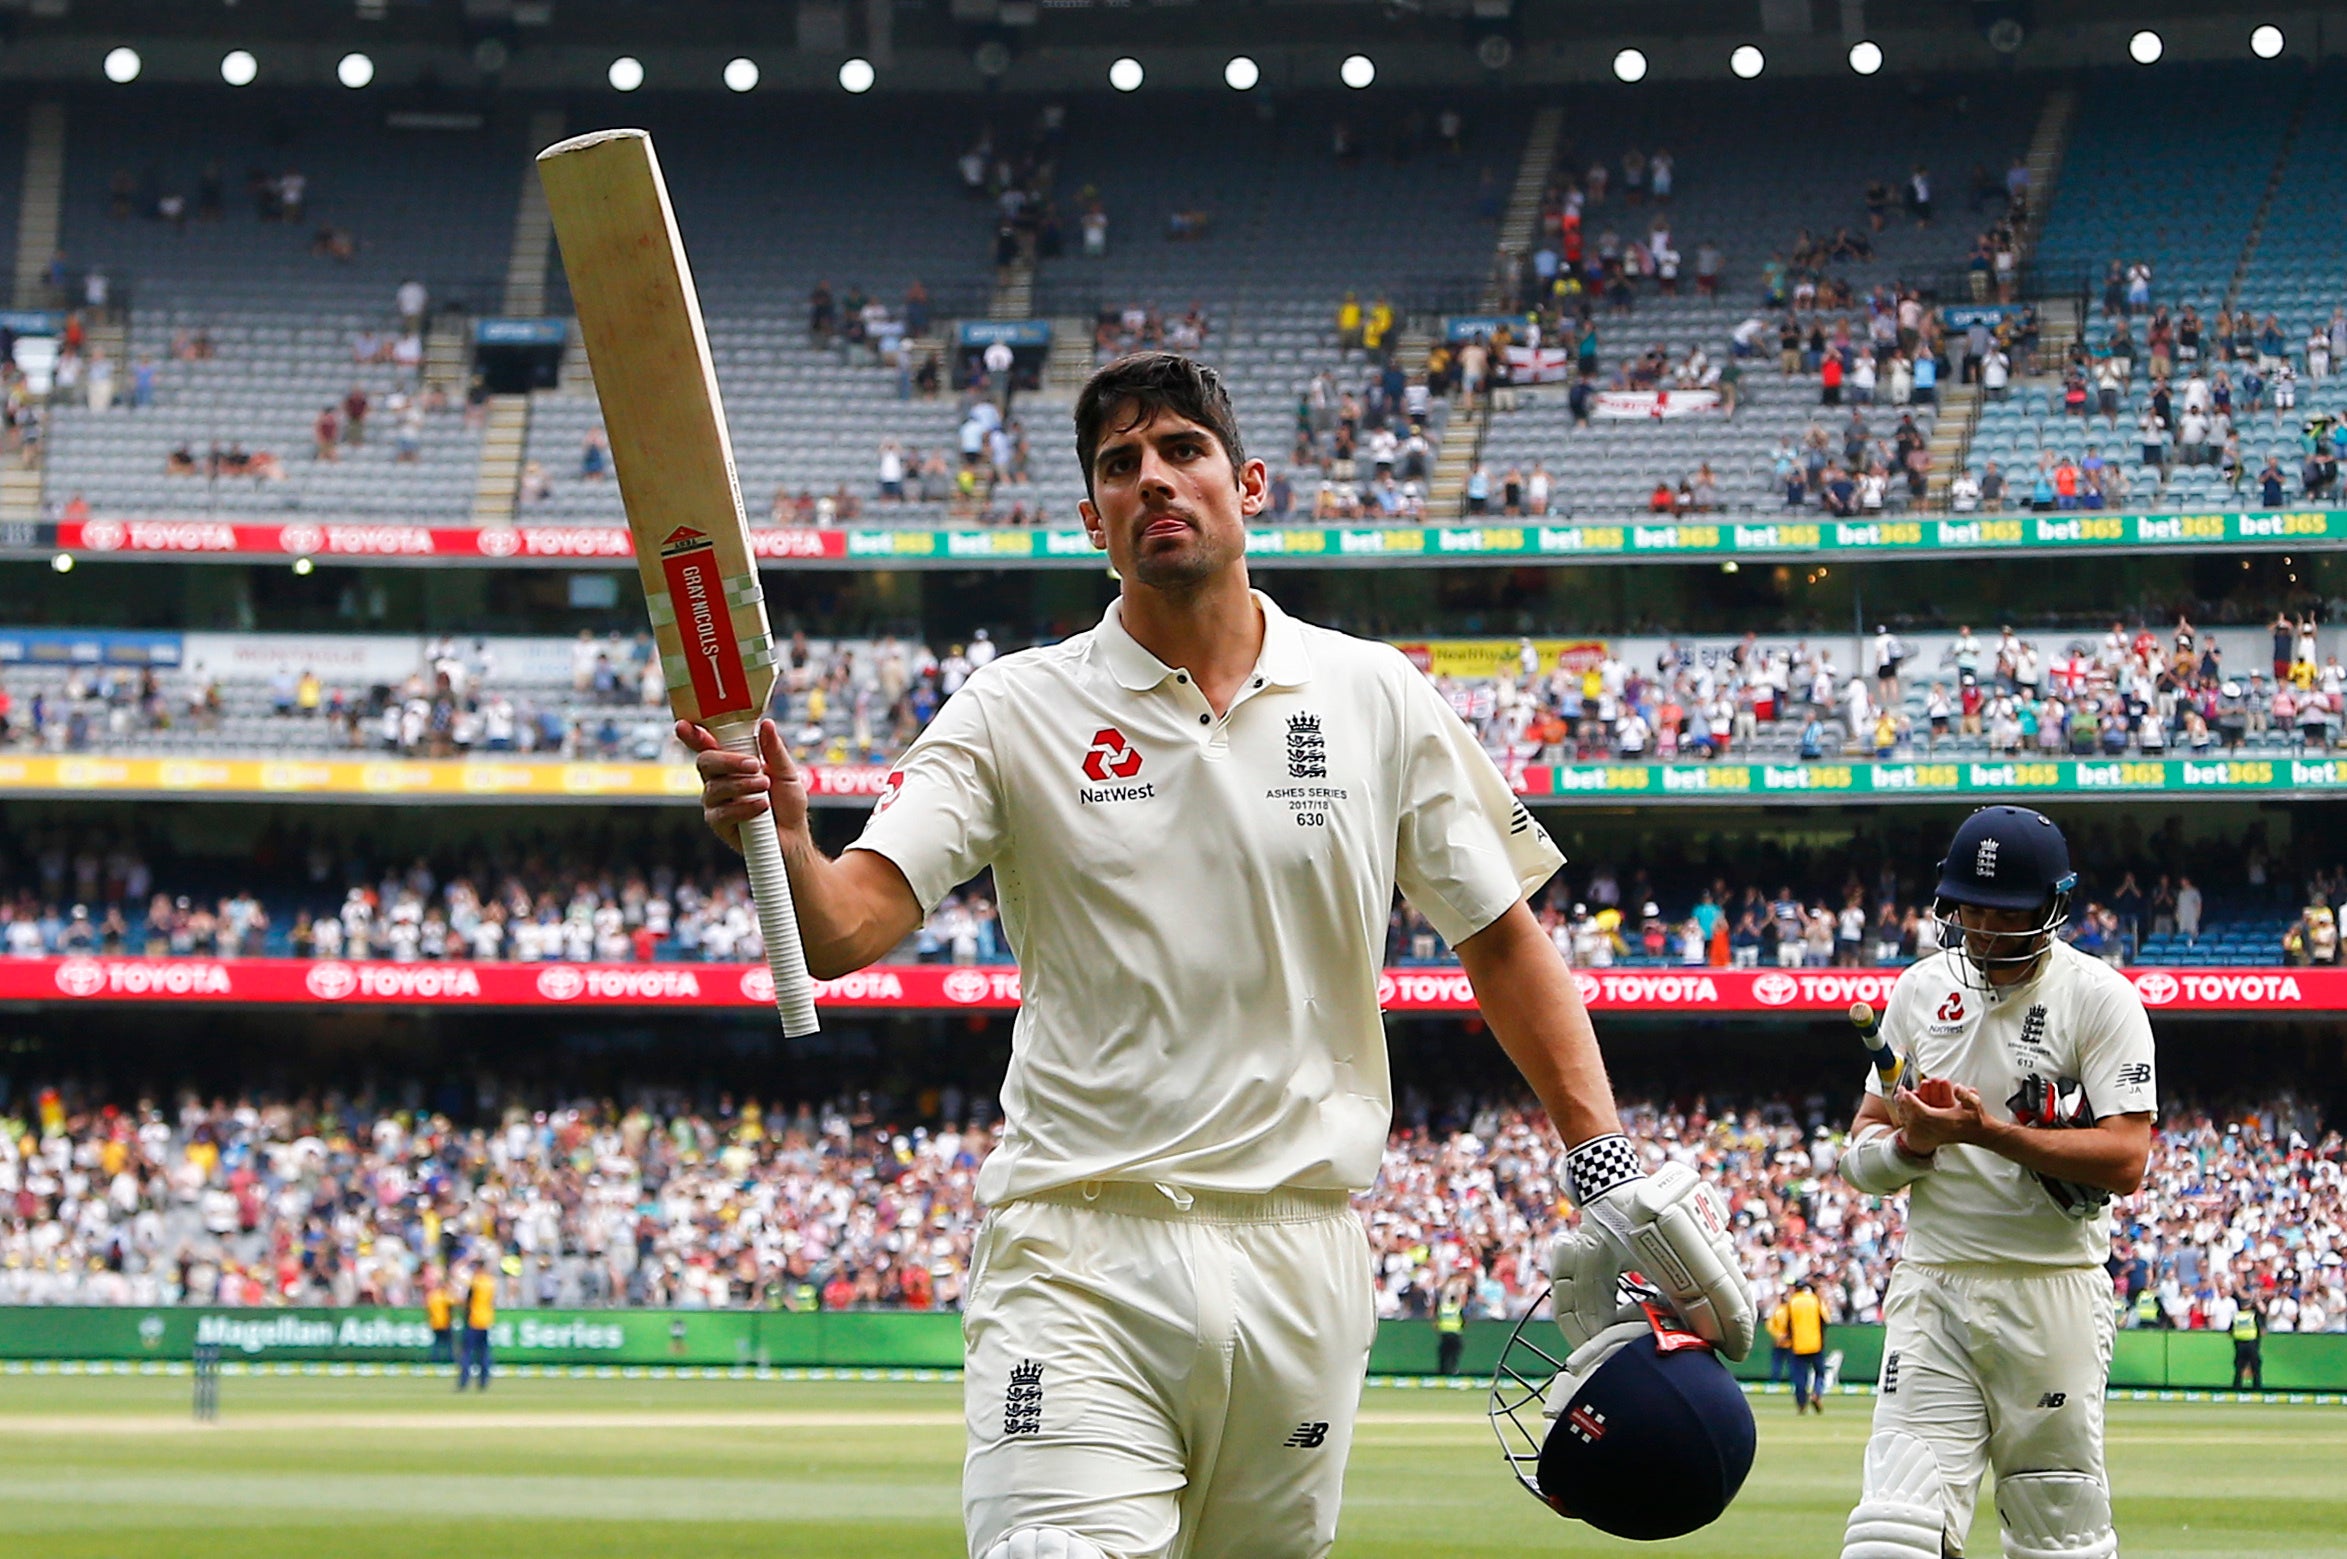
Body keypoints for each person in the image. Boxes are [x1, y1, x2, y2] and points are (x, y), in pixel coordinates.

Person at [682, 352, 1750, 1559]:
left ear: (1248, 483)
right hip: (1079, 1245)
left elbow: (1501, 940)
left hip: (1303, 1251)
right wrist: (783, 836)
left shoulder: (1374, 694)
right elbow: (840, 926)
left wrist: (1598, 1153)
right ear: (1093, 521)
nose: (1154, 479)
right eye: (1119, 465)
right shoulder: (1010, 705)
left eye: (1181, 449)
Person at [1835, 806, 2156, 1559]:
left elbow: (2126, 1159)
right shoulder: (1918, 989)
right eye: (1968, 907)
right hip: (1933, 1286)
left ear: (2051, 906)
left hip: (2052, 1291)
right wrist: (1909, 1148)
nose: (1981, 927)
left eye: (2003, 911)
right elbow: (1859, 1152)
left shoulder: (2098, 997)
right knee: (1890, 1536)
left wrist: (1989, 1134)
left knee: (2057, 1536)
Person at [1786, 1278, 1827, 1414]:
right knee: (1820, 1372)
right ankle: (1816, 1393)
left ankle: (1801, 1404)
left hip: (1798, 1345)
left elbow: (1788, 1324)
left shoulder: (1792, 1302)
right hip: (1815, 1343)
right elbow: (1825, 1320)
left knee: (1799, 1377)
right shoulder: (1815, 1300)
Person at [457, 1259, 496, 1391]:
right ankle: (483, 1382)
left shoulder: (475, 1282)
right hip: (486, 1320)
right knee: (484, 1353)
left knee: (467, 1353)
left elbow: (467, 1301)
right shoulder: (490, 1282)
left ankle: (463, 1382)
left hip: (473, 1320)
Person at [2231, 1293, 2264, 1390]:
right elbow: (2261, 1330)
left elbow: (2230, 1330)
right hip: (2251, 1343)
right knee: (2255, 1366)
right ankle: (2257, 1387)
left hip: (2239, 1343)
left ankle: (2237, 1387)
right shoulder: (2253, 1315)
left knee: (2239, 1367)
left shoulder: (2236, 1316)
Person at [1434, 1283, 1467, 1377]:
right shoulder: (1457, 1308)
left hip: (1444, 1334)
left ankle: (1442, 1371)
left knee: (1443, 1354)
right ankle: (1453, 1371)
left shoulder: (1443, 1308)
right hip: (1455, 1334)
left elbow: (1437, 1320)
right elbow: (1463, 1320)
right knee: (1454, 1354)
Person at [424, 1268, 454, 1366]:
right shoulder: (444, 1295)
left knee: (437, 1343)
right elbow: (453, 1303)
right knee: (448, 1343)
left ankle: (435, 1360)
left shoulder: (432, 1296)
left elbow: (428, 1308)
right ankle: (449, 1360)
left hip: (435, 1322)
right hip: (444, 1322)